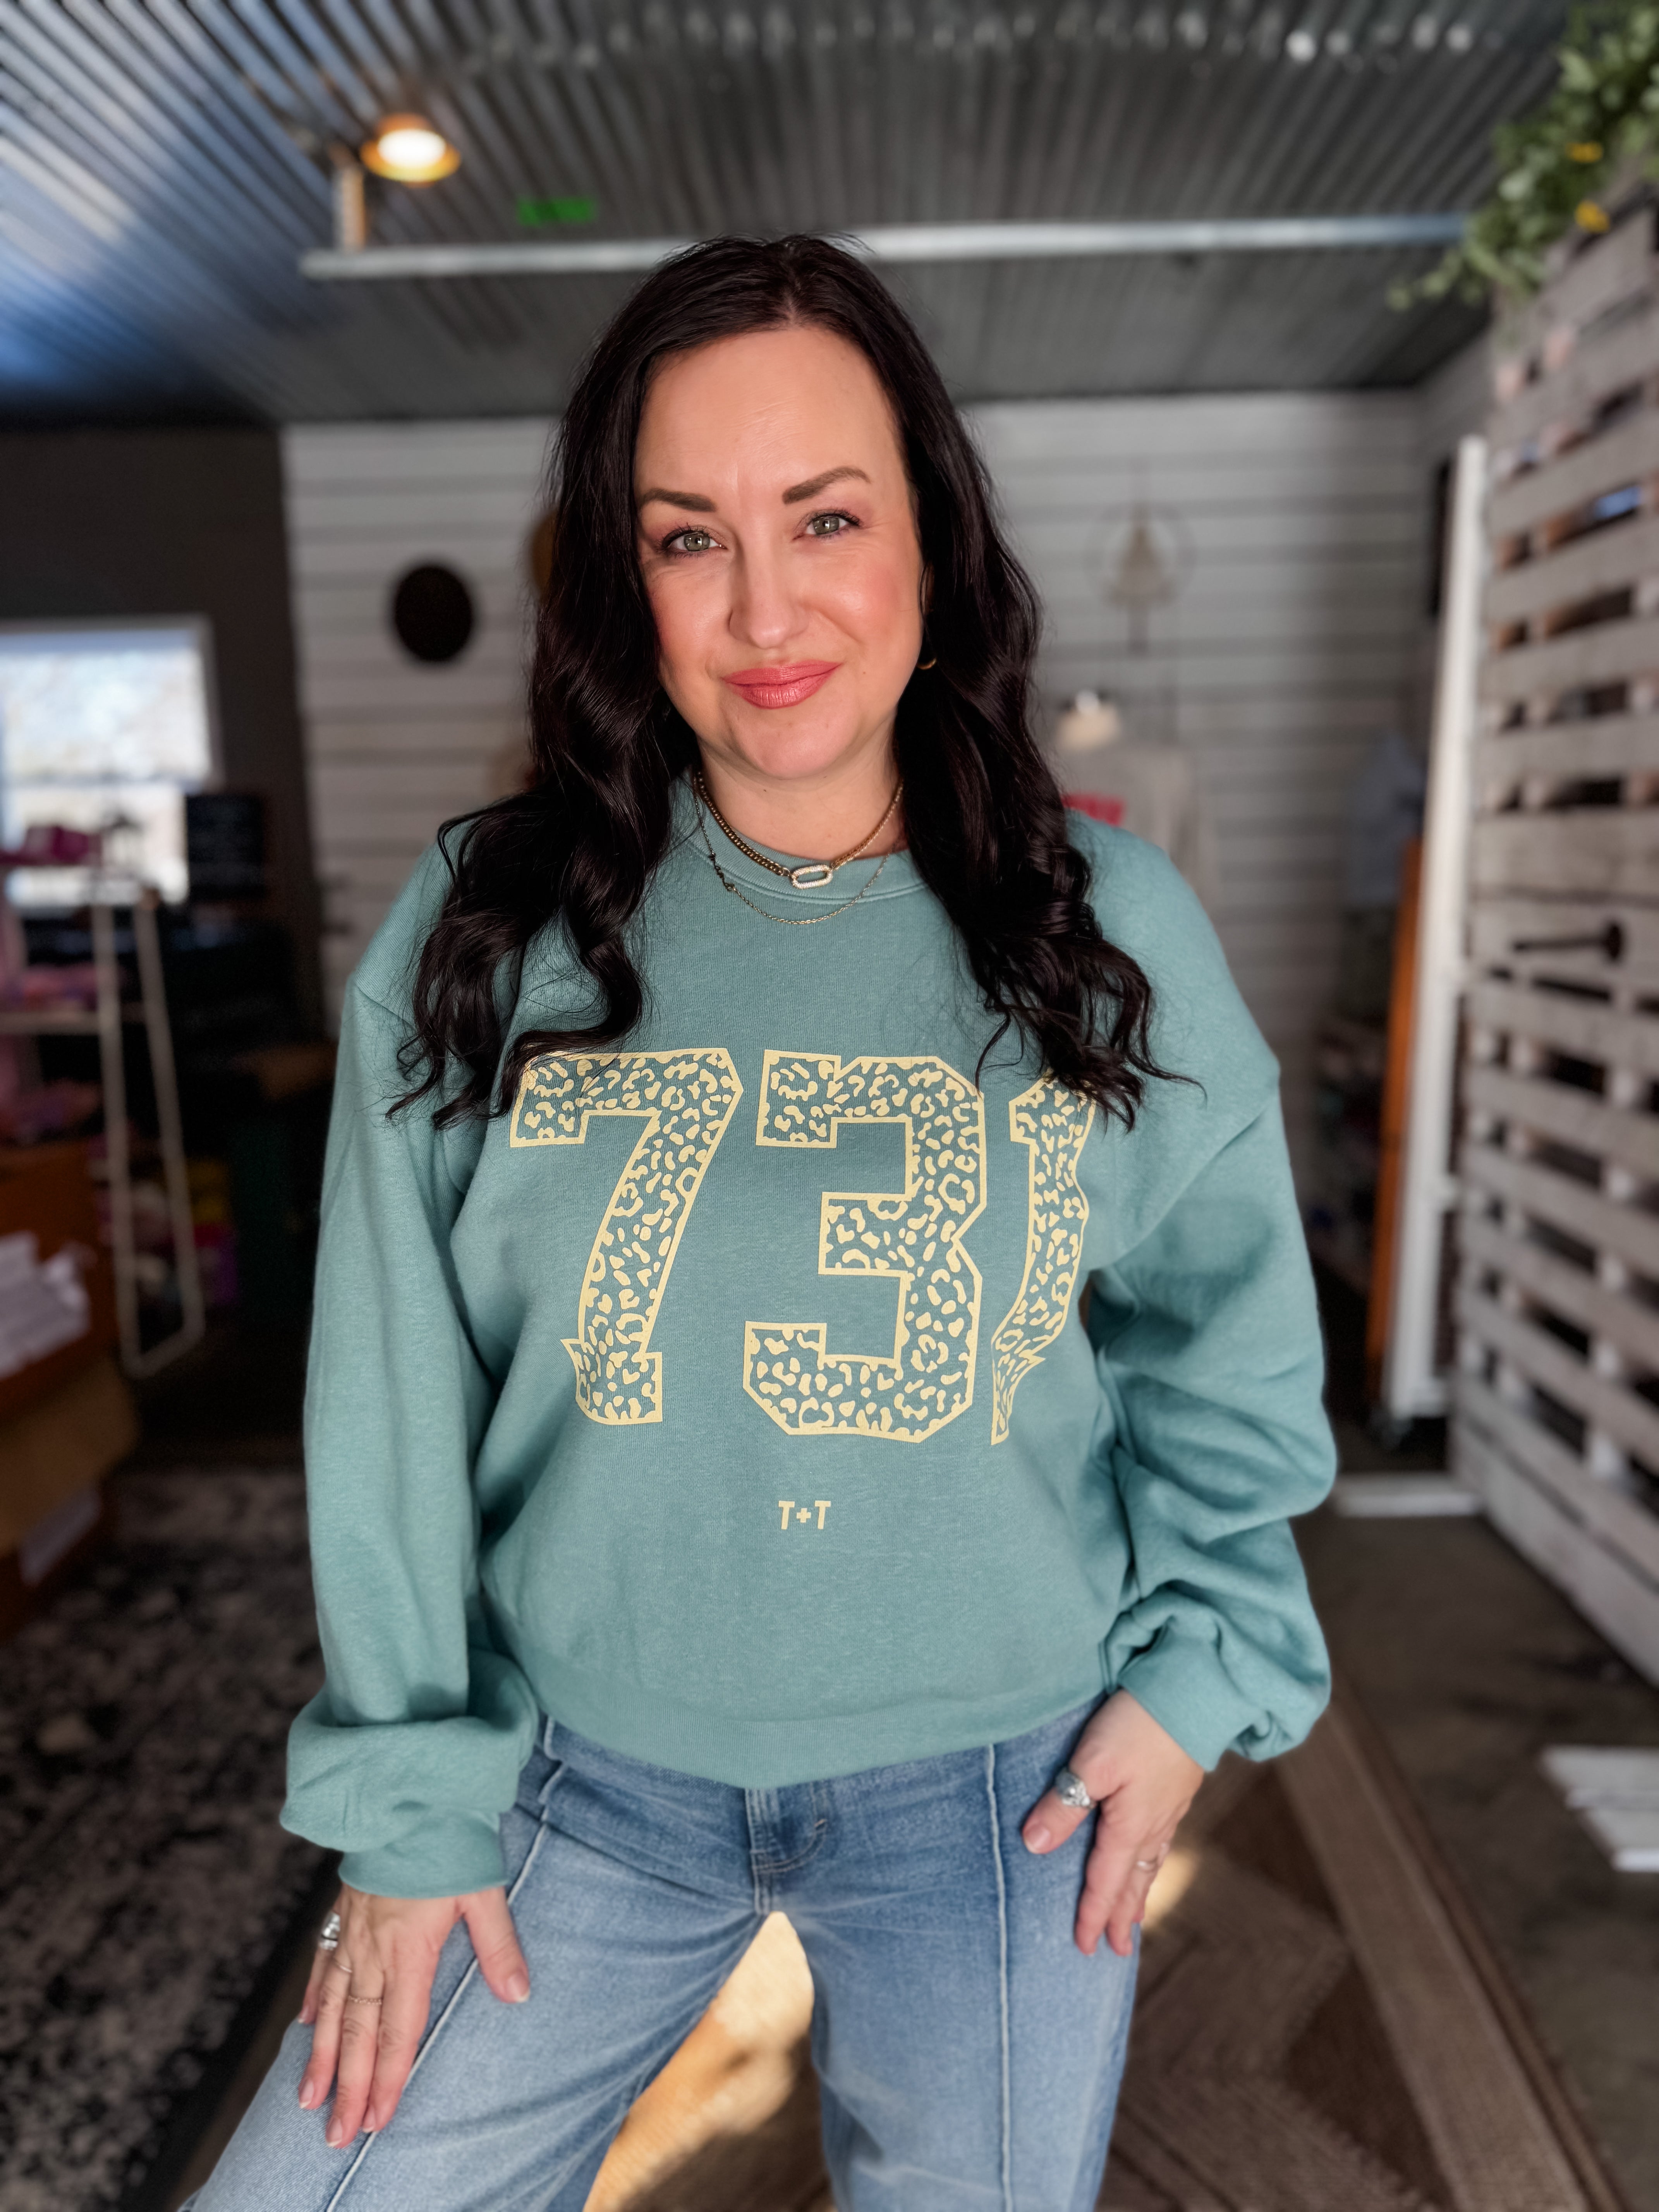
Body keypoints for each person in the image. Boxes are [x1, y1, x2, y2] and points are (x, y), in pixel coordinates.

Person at [188, 235, 1333, 2212]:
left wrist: (1204, 1667)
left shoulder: (1105, 930)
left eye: (825, 517)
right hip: (574, 1765)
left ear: (931, 538)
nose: (766, 608)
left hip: (1004, 1783)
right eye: (688, 537)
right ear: (620, 579)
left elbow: (1218, 1332)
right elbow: (387, 1397)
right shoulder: (487, 930)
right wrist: (405, 1805)